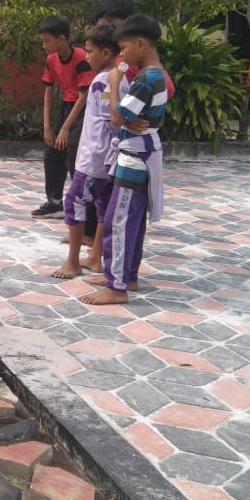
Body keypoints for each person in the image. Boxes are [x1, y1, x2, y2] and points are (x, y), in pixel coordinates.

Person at [82, 15, 168, 305]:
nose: (122, 55)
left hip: (134, 156)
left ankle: (116, 286)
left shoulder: (146, 79)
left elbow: (119, 116)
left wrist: (116, 83)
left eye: (124, 48)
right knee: (133, 219)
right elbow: (128, 118)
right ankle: (126, 275)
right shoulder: (156, 76)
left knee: (119, 220)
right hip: (141, 150)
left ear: (141, 44)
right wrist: (126, 119)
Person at [52, 26, 121, 280]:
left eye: (90, 52)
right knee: (102, 204)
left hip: (95, 155)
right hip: (105, 155)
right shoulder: (119, 76)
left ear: (105, 52)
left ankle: (73, 262)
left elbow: (110, 119)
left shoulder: (103, 81)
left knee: (75, 200)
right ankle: (95, 256)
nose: (87, 56)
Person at [33, 16, 93, 219]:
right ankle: (54, 201)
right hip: (67, 106)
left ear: (61, 39)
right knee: (52, 152)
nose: (44, 45)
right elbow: (49, 91)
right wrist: (47, 127)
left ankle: (82, 204)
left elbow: (84, 96)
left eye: (47, 40)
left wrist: (66, 129)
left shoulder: (82, 58)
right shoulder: (51, 60)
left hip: (84, 108)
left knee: (73, 153)